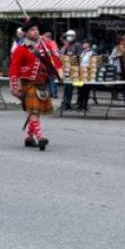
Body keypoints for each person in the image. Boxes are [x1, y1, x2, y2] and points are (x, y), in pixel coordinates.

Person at [10, 16, 61, 150]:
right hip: (29, 84)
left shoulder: (43, 47)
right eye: (32, 30)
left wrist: (53, 59)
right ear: (26, 33)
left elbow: (54, 61)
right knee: (34, 111)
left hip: (42, 83)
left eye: (37, 29)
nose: (35, 32)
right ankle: (40, 137)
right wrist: (14, 86)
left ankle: (29, 138)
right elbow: (14, 69)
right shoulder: (21, 49)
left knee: (36, 112)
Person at [59, 30, 81, 110]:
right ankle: (66, 103)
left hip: (77, 71)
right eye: (68, 36)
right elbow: (63, 55)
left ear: (74, 37)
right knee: (68, 87)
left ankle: (80, 103)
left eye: (71, 36)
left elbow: (79, 57)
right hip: (68, 70)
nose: (69, 37)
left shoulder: (77, 45)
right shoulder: (67, 45)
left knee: (79, 87)